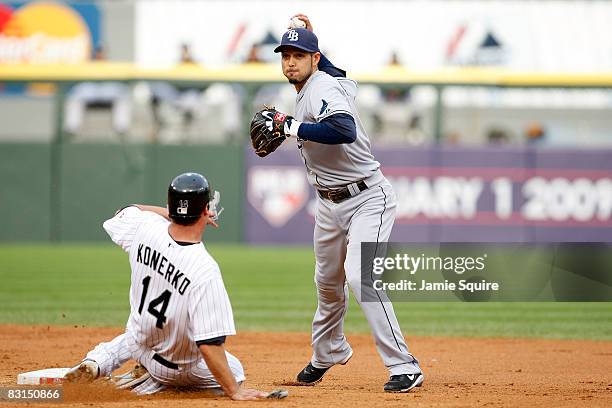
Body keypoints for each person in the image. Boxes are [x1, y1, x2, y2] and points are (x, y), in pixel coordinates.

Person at [262, 15, 424, 392]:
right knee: (327, 282)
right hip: (330, 205)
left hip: (367, 197)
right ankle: (327, 352)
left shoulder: (321, 89)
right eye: (285, 54)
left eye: (298, 54)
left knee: (360, 277)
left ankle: (405, 365)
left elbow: (343, 129)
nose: (290, 61)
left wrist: (290, 127)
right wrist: (310, 33)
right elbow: (334, 70)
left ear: (314, 59)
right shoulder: (318, 81)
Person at [64, 172, 274, 401]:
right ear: (206, 210)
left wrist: (172, 213)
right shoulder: (204, 270)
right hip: (173, 367)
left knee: (136, 333)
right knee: (235, 370)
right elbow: (209, 344)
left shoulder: (145, 227)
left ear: (169, 207)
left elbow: (125, 210)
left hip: (138, 342)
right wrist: (235, 390)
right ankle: (151, 383)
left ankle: (97, 362)